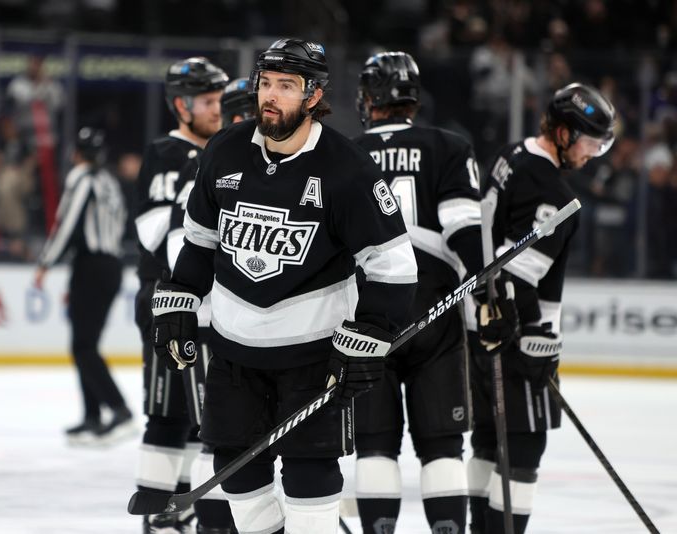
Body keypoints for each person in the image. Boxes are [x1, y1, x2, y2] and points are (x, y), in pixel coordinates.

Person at [150, 38, 418, 533]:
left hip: (311, 358)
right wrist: (177, 302)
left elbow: (393, 267)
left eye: (287, 86)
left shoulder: (347, 168)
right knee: (235, 470)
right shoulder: (225, 150)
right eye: (266, 83)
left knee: (308, 474)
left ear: (314, 95)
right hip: (234, 354)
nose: (270, 96)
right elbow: (198, 242)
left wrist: (371, 336)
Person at [467, 82, 616, 533]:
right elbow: (515, 272)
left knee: (489, 443)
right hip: (515, 336)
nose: (593, 155)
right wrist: (535, 336)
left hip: (481, 325)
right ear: (565, 134)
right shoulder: (552, 192)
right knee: (524, 450)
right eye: (590, 143)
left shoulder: (511, 154)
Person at [351, 51, 484, 534]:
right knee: (443, 445)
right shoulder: (449, 145)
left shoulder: (340, 152)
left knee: (375, 445)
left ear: (370, 98)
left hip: (366, 310)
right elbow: (463, 225)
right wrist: (486, 291)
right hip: (435, 307)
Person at [133, 56, 228, 533]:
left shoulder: (220, 154)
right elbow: (154, 231)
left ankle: (175, 509)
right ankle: (162, 512)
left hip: (195, 301)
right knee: (174, 413)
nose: (218, 109)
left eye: (219, 99)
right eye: (208, 101)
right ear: (181, 105)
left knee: (187, 416)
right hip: (166, 299)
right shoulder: (166, 154)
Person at [33, 127, 133, 446]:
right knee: (86, 343)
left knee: (83, 346)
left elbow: (66, 223)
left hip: (90, 265)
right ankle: (92, 416)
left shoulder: (81, 177)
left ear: (77, 153)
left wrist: (46, 263)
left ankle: (117, 408)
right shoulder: (110, 183)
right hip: (111, 265)